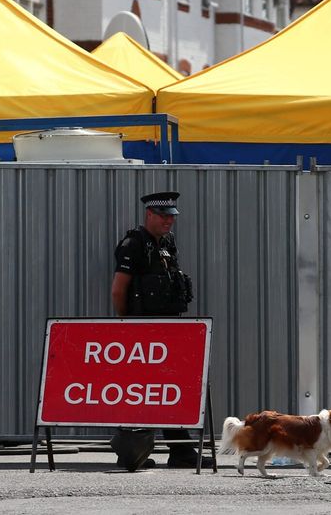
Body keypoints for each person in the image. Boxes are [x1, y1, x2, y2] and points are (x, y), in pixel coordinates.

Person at [108, 191, 214, 470]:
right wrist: (127, 325)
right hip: (142, 330)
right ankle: (130, 453)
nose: (169, 221)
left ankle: (181, 452)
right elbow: (119, 289)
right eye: (164, 216)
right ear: (150, 215)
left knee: (169, 389)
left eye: (172, 217)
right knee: (140, 391)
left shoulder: (166, 243)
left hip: (169, 329)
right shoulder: (134, 244)